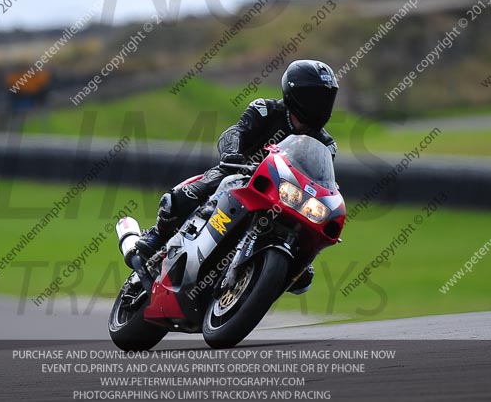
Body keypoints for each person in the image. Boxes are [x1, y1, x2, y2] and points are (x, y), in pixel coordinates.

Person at [136, 60, 339, 294]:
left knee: (303, 271)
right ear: (293, 93)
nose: (320, 106)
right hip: (240, 175)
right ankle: (156, 236)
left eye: (326, 98)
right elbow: (236, 132)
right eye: (314, 98)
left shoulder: (327, 144)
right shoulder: (265, 109)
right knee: (188, 195)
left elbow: (321, 177)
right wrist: (233, 154)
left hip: (285, 197)